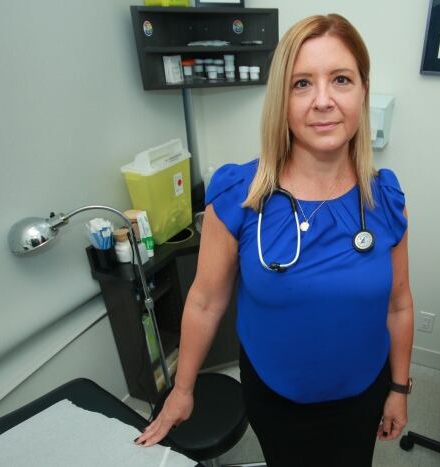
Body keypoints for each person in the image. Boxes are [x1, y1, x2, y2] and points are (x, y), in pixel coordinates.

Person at [135, 13, 413, 466]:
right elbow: (205, 301)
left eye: (340, 79)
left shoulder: (385, 200)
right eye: (301, 84)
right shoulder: (239, 197)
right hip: (276, 396)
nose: (323, 100)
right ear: (280, 99)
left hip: (363, 391)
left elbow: (399, 304)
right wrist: (181, 391)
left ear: (362, 91)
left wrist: (399, 389)